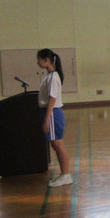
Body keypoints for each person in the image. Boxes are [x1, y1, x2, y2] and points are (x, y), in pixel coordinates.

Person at [37, 49, 72, 187]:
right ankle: (64, 174)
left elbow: (52, 98)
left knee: (58, 145)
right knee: (56, 144)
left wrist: (47, 118)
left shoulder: (53, 77)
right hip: (51, 113)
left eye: (39, 59)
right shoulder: (50, 76)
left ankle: (66, 175)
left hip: (52, 113)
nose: (37, 62)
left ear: (46, 60)